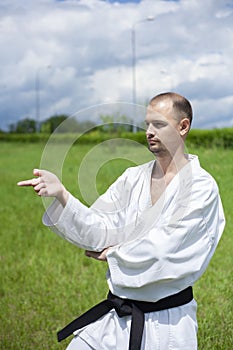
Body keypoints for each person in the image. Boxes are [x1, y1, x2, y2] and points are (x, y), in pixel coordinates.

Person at [18, 92, 225, 350]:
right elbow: (98, 226)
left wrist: (115, 251)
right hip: (116, 316)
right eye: (147, 124)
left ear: (183, 127)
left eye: (159, 124)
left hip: (168, 325)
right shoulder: (133, 178)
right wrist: (62, 194)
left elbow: (165, 249)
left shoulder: (201, 187)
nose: (149, 131)